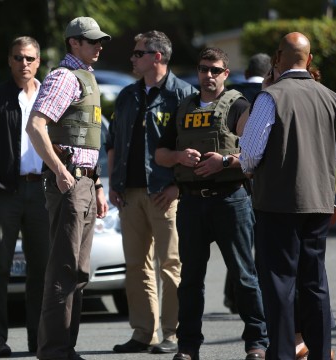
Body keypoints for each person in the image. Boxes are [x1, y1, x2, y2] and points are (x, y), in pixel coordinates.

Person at [155, 47, 269, 360]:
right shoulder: (184, 107)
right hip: (192, 203)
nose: (208, 75)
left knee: (245, 276)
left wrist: (225, 162)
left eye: (215, 70)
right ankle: (188, 347)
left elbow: (255, 153)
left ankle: (257, 343)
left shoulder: (238, 105)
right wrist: (179, 156)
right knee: (190, 280)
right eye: (204, 69)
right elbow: (160, 154)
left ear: (225, 74)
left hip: (230, 199)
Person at [239, 32, 336, 360]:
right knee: (315, 282)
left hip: (278, 203)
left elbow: (249, 155)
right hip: (319, 201)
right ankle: (321, 352)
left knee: (279, 284)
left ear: (277, 59)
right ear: (309, 60)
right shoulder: (333, 98)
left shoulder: (270, 97)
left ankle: (283, 353)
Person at [25, 16, 110, 360]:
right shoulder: (64, 77)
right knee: (63, 269)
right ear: (74, 43)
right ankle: (55, 350)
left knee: (79, 271)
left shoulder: (87, 79)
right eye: (92, 41)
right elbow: (36, 125)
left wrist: (99, 185)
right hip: (69, 183)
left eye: (100, 41)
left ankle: (65, 348)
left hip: (86, 183)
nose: (99, 46)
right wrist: (59, 170)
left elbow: (88, 140)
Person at [106, 30, 196, 354]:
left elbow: (192, 149)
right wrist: (114, 184)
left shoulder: (183, 95)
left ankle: (173, 333)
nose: (132, 58)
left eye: (138, 53)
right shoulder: (127, 95)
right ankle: (144, 332)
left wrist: (177, 187)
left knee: (171, 264)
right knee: (136, 265)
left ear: (157, 57)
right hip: (129, 193)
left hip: (164, 192)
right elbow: (113, 142)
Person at [0, 36, 49, 357]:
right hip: (4, 192)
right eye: (18, 58)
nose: (24, 64)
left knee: (41, 270)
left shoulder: (49, 96)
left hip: (41, 191)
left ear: (38, 61)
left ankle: (39, 340)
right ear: (9, 61)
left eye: (29, 58)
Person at [223, 52, 272, 313]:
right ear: (268, 73)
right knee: (260, 240)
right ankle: (257, 294)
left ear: (245, 73)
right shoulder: (271, 95)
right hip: (260, 176)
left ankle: (233, 295)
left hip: (231, 176)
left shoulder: (231, 95)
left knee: (239, 243)